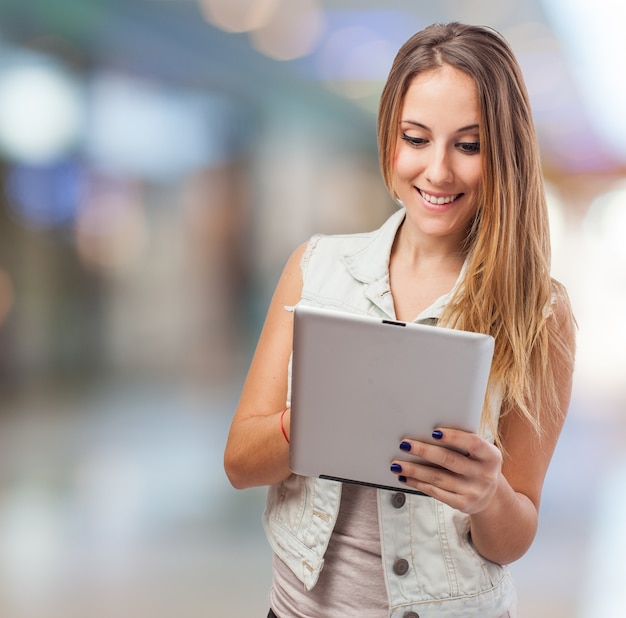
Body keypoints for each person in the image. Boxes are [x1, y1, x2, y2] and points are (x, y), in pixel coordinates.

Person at [224, 21, 576, 618]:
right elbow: (239, 462)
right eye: (416, 138)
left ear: (505, 155)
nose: (437, 171)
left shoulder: (539, 313)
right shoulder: (316, 268)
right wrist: (310, 423)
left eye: (468, 145)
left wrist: (489, 495)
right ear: (390, 140)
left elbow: (514, 536)